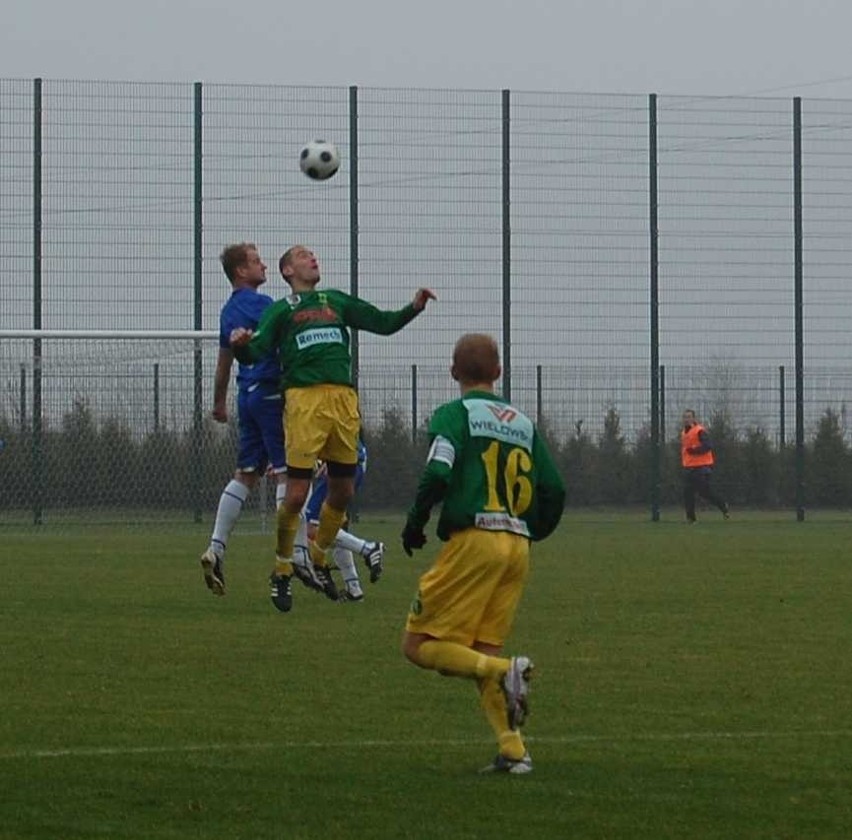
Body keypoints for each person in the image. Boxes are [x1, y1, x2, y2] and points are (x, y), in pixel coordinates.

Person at [230, 245, 435, 613]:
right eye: (304, 255)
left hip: (342, 402)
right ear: (288, 271)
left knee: (342, 488)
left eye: (314, 255)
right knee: (296, 495)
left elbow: (382, 323)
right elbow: (256, 350)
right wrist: (242, 347)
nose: (313, 258)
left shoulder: (336, 301)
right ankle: (281, 569)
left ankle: (320, 556)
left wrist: (414, 308)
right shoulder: (282, 310)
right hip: (305, 402)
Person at [399, 333, 566, 775]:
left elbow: (438, 471)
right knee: (480, 647)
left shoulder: (454, 415)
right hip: (516, 546)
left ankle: (504, 669)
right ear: (498, 372)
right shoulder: (522, 423)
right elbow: (554, 488)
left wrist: (416, 523)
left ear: (454, 372)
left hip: (476, 538)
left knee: (418, 645)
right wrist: (532, 531)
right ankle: (513, 750)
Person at [200, 243, 285, 595]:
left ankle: (217, 546)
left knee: (245, 475)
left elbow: (224, 363)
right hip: (271, 393)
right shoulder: (264, 306)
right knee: (288, 473)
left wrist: (219, 403)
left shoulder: (227, 311)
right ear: (241, 272)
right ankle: (293, 556)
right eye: (256, 261)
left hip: (245, 396)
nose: (263, 265)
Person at [298, 438, 384, 602]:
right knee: (337, 524)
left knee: (312, 527)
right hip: (352, 461)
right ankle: (354, 589)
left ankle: (369, 549)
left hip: (342, 463)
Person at [680, 408, 730, 523]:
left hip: (702, 467)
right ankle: (691, 519)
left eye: (689, 417)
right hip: (689, 467)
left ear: (693, 418)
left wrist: (695, 450)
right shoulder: (684, 433)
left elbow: (708, 446)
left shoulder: (699, 431)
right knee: (687, 493)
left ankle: (722, 505)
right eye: (685, 417)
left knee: (704, 492)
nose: (686, 419)